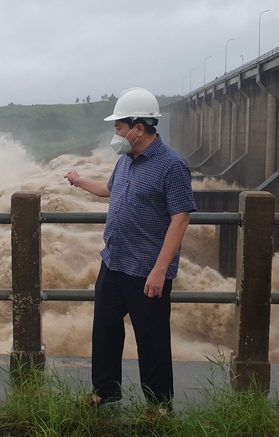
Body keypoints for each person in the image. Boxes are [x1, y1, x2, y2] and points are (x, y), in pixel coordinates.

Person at [64, 87, 196, 410]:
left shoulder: (172, 166)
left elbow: (181, 219)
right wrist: (80, 181)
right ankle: (105, 391)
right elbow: (109, 190)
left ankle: (159, 406)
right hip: (114, 262)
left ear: (139, 128)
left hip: (147, 270)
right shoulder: (125, 160)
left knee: (152, 340)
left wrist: (160, 270)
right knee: (106, 329)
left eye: (119, 127)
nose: (116, 133)